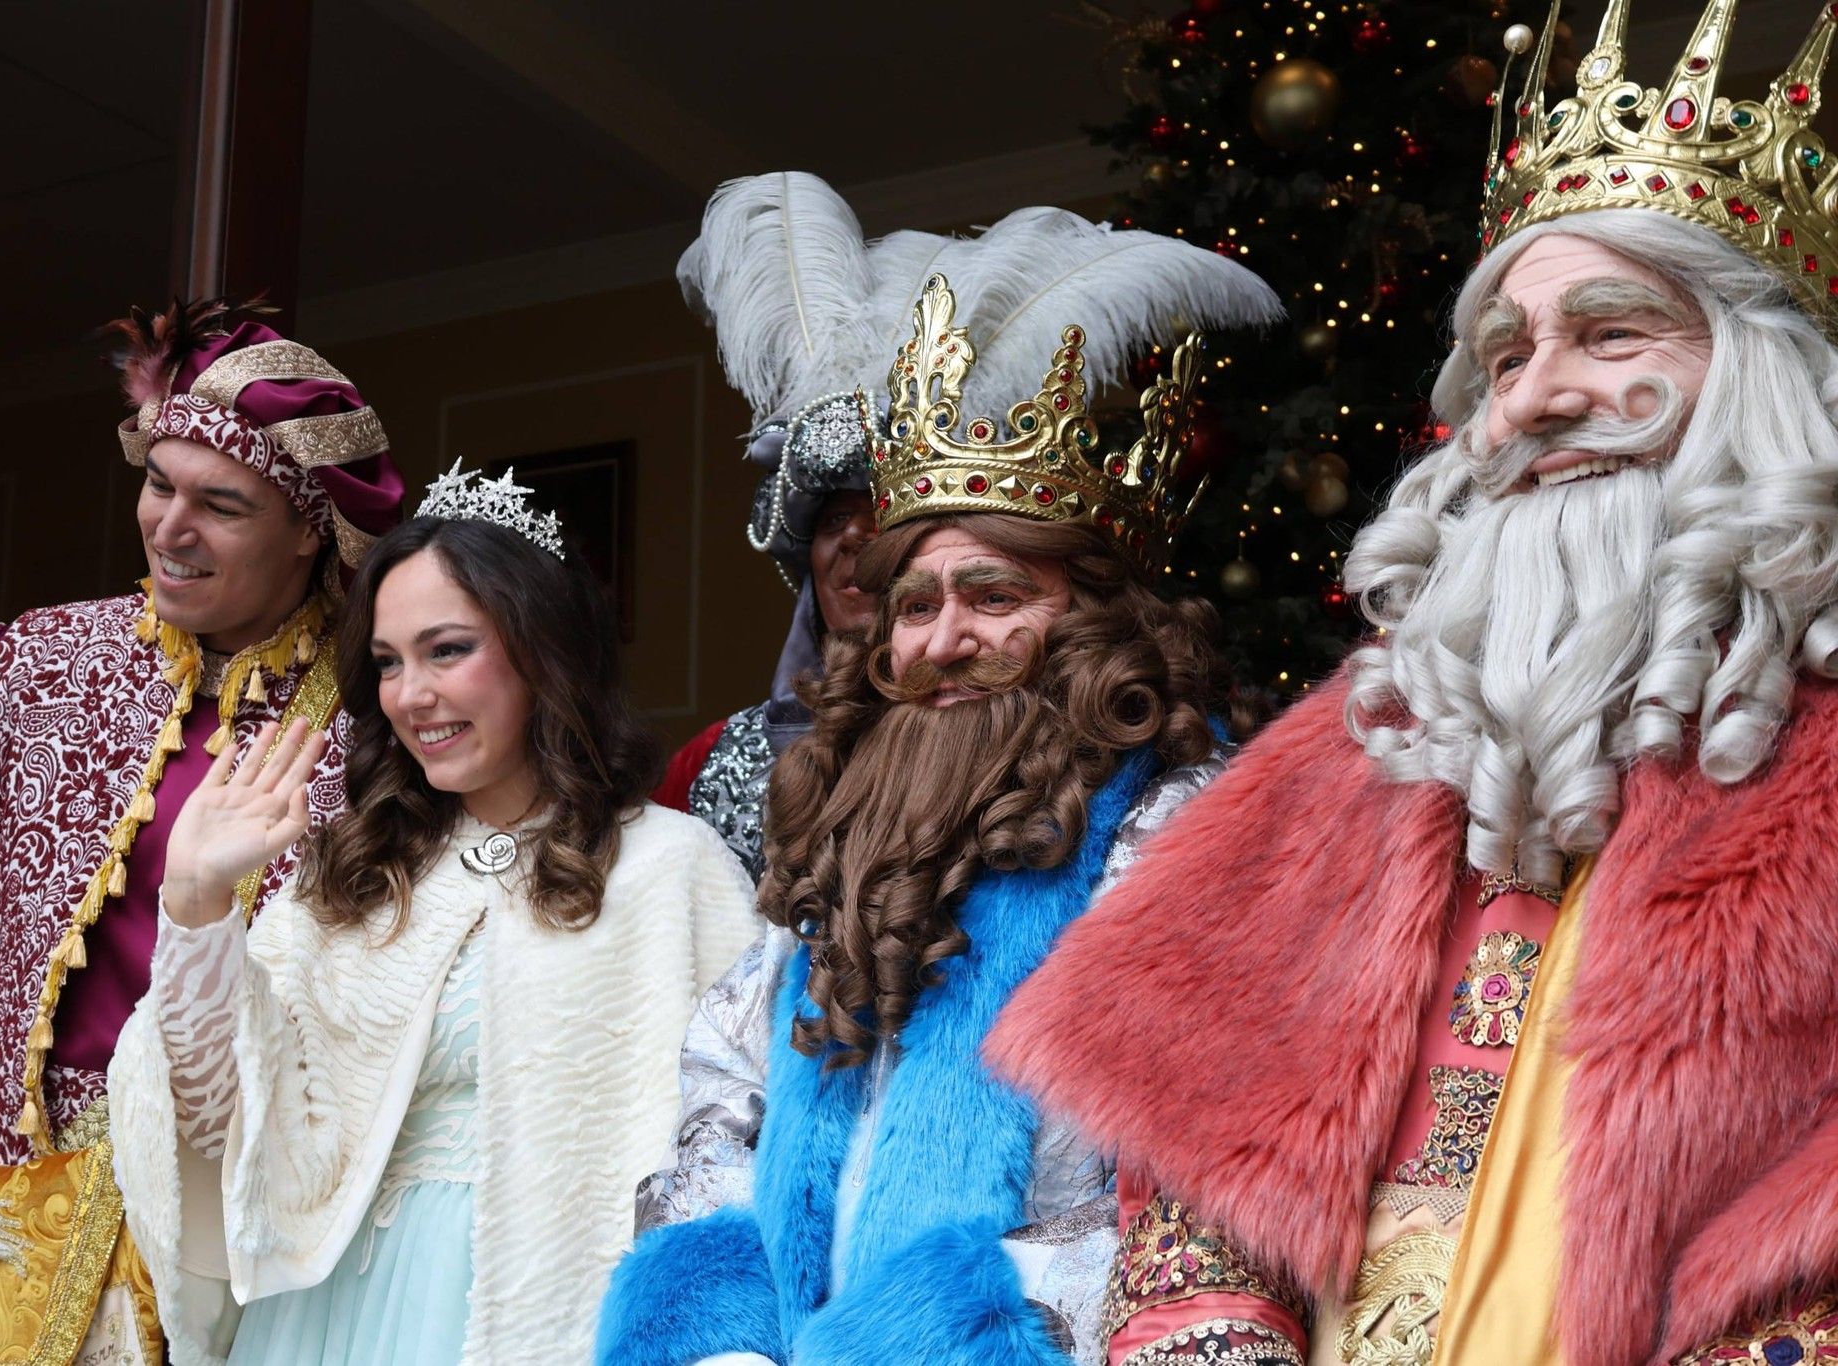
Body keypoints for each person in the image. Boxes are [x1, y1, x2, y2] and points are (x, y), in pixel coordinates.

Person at [990, 7, 1838, 1364]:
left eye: (1613, 335)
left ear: (1767, 386)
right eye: (1507, 355)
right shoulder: (1352, 753)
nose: (1539, 396)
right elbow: (1197, 1199)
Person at [596, 205, 1279, 1365]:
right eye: (914, 606)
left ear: (1097, 623)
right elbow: (722, 1108)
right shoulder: (847, 838)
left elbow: (1205, 1199)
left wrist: (926, 1333)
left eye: (994, 596)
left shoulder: (1193, 838)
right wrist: (720, 1343)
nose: (943, 641)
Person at [0, 299, 402, 1366]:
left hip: (263, 1279)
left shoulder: (386, 733)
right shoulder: (22, 674)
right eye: (158, 483)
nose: (171, 526)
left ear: (311, 526)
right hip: (1, 1266)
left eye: (220, 503)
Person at [109, 462, 763, 1365]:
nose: (409, 695)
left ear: (543, 650)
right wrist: (196, 905)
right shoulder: (357, 873)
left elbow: (737, 1135)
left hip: (552, 1306)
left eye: (446, 650)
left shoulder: (667, 865)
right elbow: (226, 1119)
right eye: (386, 662)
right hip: (328, 1314)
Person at [655, 172, 941, 877]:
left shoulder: (1003, 734)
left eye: (885, 515)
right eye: (835, 517)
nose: (856, 537)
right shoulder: (709, 761)